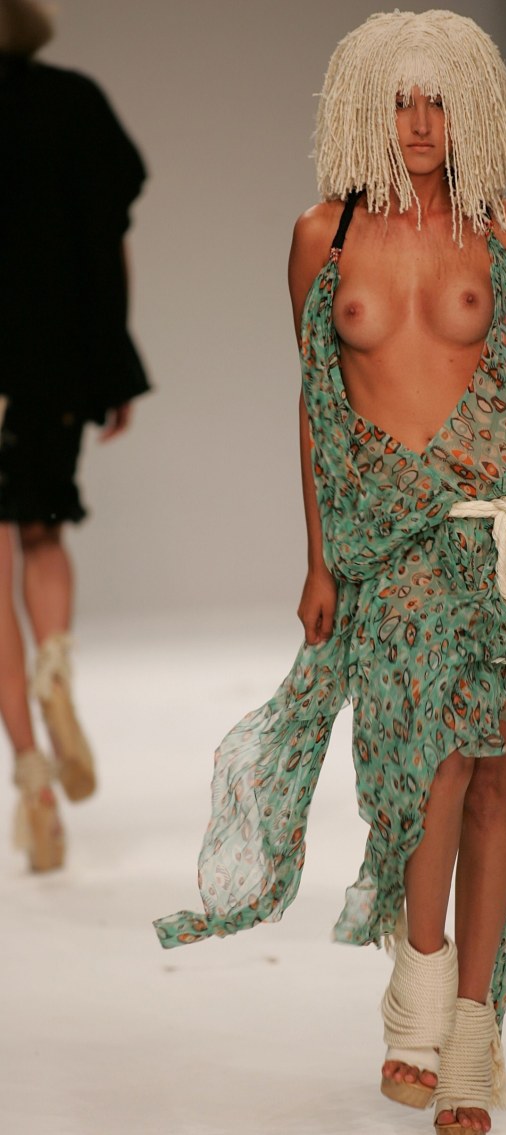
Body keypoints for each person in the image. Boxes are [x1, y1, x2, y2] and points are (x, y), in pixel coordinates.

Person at [154, 11, 506, 1132]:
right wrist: (320, 558)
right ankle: (417, 984)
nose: (417, 123)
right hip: (399, 544)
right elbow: (317, 409)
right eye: (398, 100)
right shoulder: (322, 236)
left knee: (500, 781)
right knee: (429, 772)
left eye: (438, 101)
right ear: (363, 108)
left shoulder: (501, 229)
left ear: (472, 111)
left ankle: (469, 1031)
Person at [0, 0, 150, 872]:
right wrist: (113, 365)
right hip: (50, 361)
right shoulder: (75, 104)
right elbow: (108, 241)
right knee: (42, 529)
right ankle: (55, 677)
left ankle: (32, 779)